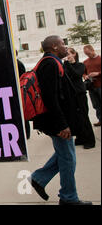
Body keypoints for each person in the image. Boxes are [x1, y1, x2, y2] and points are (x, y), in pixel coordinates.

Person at [28, 36, 91, 205]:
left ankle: (39, 178)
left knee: (64, 155)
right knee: (68, 158)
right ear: (54, 46)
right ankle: (68, 197)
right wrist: (62, 124)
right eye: (63, 44)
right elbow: (50, 97)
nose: (65, 46)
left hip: (57, 121)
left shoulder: (52, 61)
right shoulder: (49, 63)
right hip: (57, 123)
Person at [64, 48, 95, 149]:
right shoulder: (65, 66)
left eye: (68, 54)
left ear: (74, 54)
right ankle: (81, 137)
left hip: (80, 94)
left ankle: (90, 140)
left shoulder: (80, 65)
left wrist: (68, 64)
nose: (67, 56)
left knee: (84, 117)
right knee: (76, 118)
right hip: (71, 95)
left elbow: (76, 74)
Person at [83, 44, 101, 127]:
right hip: (91, 86)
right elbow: (83, 72)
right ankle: (100, 119)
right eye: (86, 54)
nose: (88, 55)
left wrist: (98, 73)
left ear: (92, 50)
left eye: (88, 53)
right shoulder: (85, 62)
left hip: (100, 85)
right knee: (96, 104)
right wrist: (85, 76)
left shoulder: (100, 59)